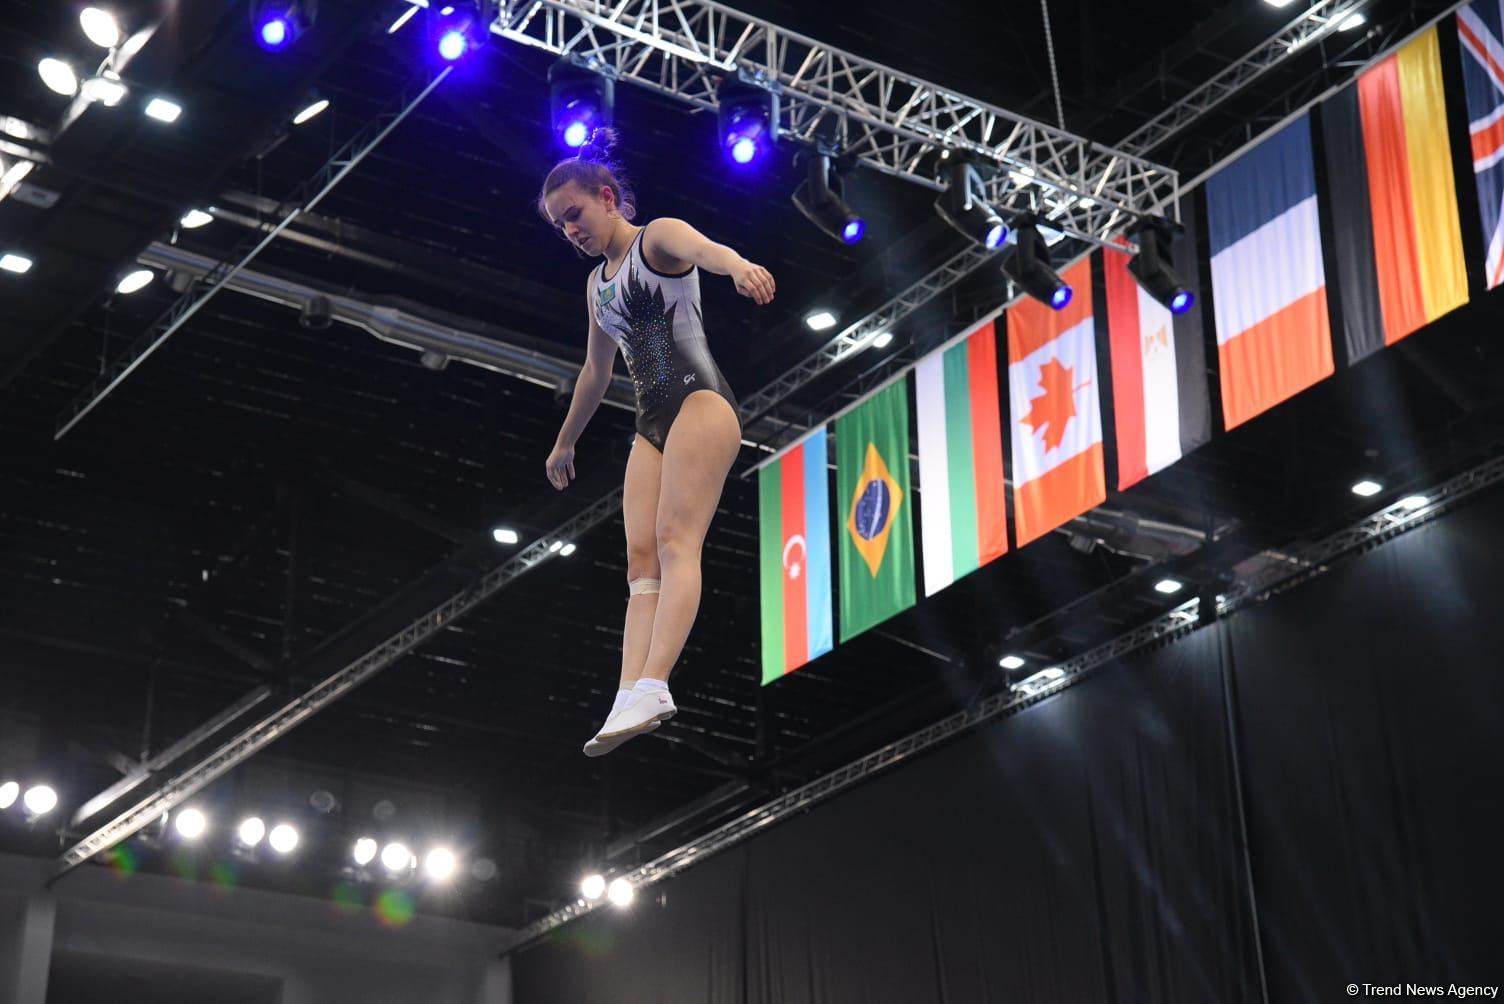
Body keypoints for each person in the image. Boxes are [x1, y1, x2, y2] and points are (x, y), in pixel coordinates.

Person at [537, 128, 776, 757]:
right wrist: (565, 444)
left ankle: (656, 680)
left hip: (701, 403)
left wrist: (740, 267)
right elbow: (596, 372)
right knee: (639, 566)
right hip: (652, 426)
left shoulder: (657, 238)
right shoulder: (596, 287)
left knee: (675, 541)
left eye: (575, 214)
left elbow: (709, 247)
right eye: (560, 225)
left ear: (608, 198)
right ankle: (627, 696)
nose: (570, 231)